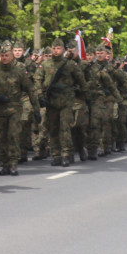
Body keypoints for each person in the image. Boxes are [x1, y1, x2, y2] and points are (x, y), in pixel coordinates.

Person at [35, 39, 87, 167]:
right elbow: (37, 80)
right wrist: (40, 95)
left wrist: (80, 94)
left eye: (58, 48)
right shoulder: (45, 64)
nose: (55, 51)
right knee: (52, 128)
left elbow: (82, 81)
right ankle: (56, 155)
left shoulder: (69, 65)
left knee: (65, 128)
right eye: (53, 48)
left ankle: (66, 154)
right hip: (51, 101)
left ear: (63, 50)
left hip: (66, 101)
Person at [0, 41, 37, 175]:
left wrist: (36, 108)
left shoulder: (19, 71)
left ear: (12, 57)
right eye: (3, 55)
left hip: (15, 109)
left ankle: (13, 163)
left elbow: (30, 90)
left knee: (13, 135)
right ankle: (4, 163)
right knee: (0, 137)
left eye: (7, 55)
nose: (5, 58)